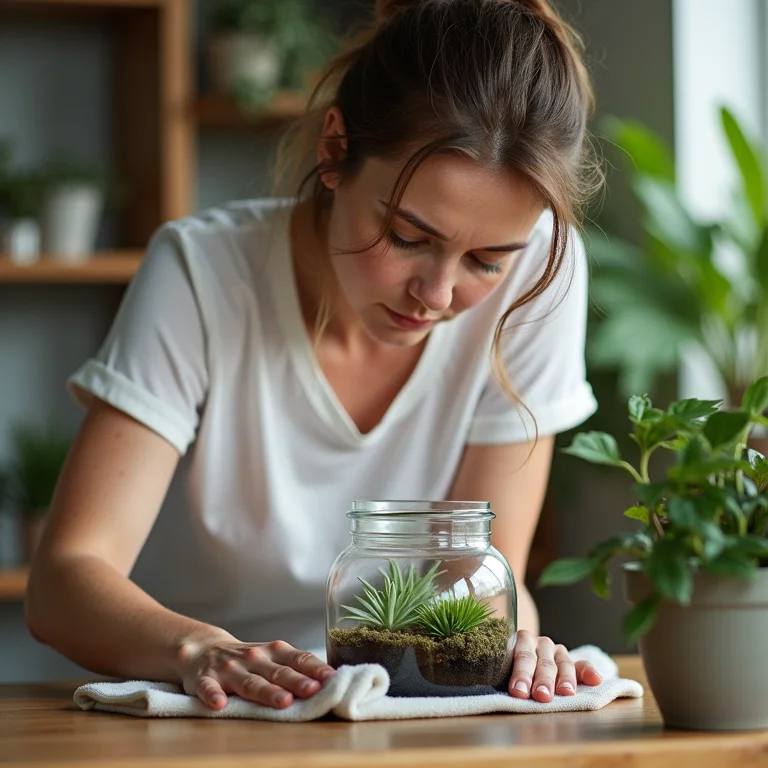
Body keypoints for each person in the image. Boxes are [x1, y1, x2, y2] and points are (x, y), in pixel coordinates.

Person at [25, 0, 605, 712]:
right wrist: (202, 650)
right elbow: (64, 580)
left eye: (486, 260)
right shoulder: (203, 274)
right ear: (335, 149)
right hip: (215, 715)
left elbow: (489, 572)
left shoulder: (542, 270)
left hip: (407, 714)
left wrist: (515, 641)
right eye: (406, 236)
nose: (438, 294)